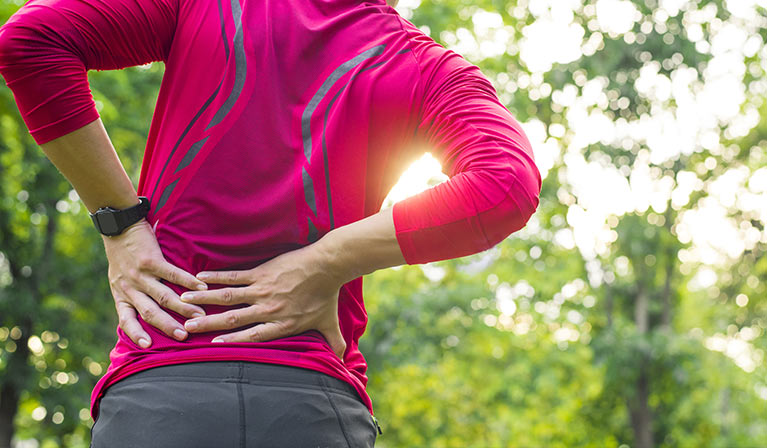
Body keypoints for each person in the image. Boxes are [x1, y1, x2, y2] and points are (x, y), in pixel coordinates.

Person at [0, 0, 541, 445]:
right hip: (311, 406)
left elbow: (32, 39)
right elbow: (507, 183)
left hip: (162, 391)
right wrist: (326, 262)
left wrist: (122, 225)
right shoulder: (424, 67)